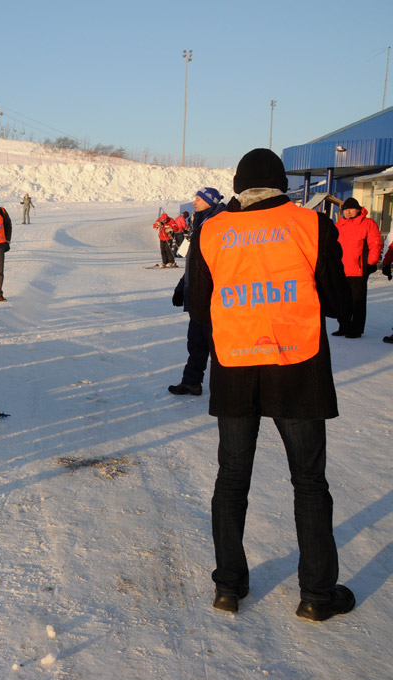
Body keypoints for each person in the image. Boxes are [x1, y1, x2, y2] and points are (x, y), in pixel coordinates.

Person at [188, 148, 355, 620]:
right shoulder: (311, 224)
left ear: (238, 186)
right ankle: (316, 595)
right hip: (297, 368)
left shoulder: (212, 230)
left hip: (235, 368)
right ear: (282, 183)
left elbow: (199, 307)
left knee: (231, 479)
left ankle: (228, 587)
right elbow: (339, 302)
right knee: (309, 483)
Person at [169, 188, 226, 396]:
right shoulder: (201, 223)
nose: (194, 202)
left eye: (198, 199)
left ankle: (226, 389)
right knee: (196, 342)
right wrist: (181, 288)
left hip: (214, 297)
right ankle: (191, 382)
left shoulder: (219, 224)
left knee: (218, 345)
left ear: (210, 202)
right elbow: (194, 263)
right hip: (198, 296)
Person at [332, 197, 380, 338]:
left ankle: (356, 329)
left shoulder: (368, 223)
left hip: (358, 269)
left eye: (351, 209)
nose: (348, 212)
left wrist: (371, 263)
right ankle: (344, 326)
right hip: (341, 269)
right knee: (342, 300)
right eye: (345, 209)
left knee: (357, 301)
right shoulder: (338, 225)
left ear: (358, 209)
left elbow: (375, 244)